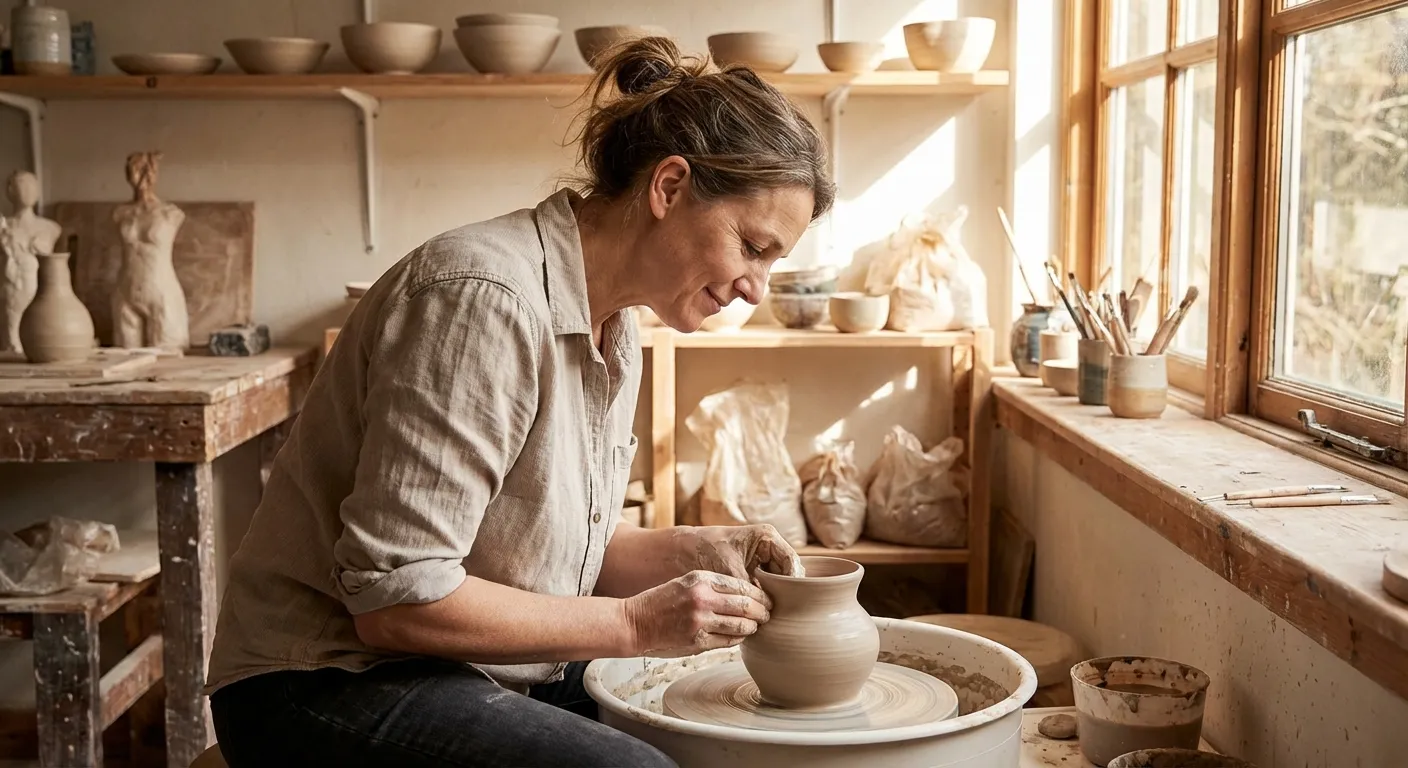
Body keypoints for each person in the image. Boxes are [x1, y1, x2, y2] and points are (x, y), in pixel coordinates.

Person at [206, 36, 834, 768]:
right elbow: (395, 599)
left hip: (456, 668)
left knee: (709, 727)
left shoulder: (614, 327)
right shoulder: (482, 302)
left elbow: (552, 554)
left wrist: (704, 551)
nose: (758, 286)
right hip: (320, 679)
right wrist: (636, 623)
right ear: (668, 187)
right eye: (753, 247)